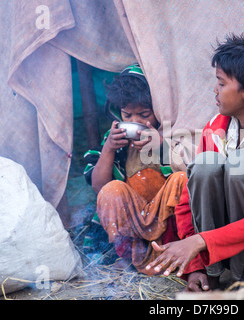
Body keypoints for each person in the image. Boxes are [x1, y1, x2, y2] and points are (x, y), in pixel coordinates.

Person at [145, 31, 244, 290]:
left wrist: (199, 241)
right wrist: (195, 266)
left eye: (221, 83)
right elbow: (187, 201)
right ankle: (211, 276)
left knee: (241, 164)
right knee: (205, 165)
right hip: (212, 250)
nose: (214, 89)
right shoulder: (216, 127)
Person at [83, 63, 187, 273]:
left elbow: (188, 170)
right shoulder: (113, 142)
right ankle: (129, 256)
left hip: (167, 219)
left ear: (158, 110)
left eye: (144, 114)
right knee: (112, 191)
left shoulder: (171, 133)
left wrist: (161, 146)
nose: (135, 121)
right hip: (133, 221)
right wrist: (109, 149)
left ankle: (170, 252)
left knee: (181, 180)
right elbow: (99, 187)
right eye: (127, 115)